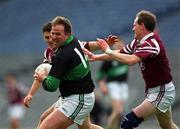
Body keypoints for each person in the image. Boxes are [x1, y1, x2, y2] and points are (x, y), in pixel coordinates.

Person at [84, 10, 179, 129]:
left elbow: (131, 60)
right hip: (157, 91)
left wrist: (108, 50)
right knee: (167, 126)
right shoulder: (138, 42)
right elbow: (119, 52)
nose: (133, 28)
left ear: (142, 26)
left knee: (127, 122)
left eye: (135, 25)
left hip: (162, 92)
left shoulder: (152, 43)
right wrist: (96, 57)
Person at [25, 18, 106, 129]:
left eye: (57, 34)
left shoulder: (62, 56)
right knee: (86, 127)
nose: (52, 38)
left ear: (67, 35)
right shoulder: (73, 41)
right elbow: (86, 45)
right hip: (74, 95)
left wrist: (44, 78)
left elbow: (51, 86)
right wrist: (31, 93)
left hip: (78, 98)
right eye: (50, 35)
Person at [96, 39, 129, 129]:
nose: (119, 46)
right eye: (116, 45)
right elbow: (100, 75)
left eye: (120, 44)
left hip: (123, 86)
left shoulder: (126, 56)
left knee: (118, 112)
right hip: (113, 85)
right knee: (118, 111)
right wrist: (102, 85)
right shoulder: (109, 59)